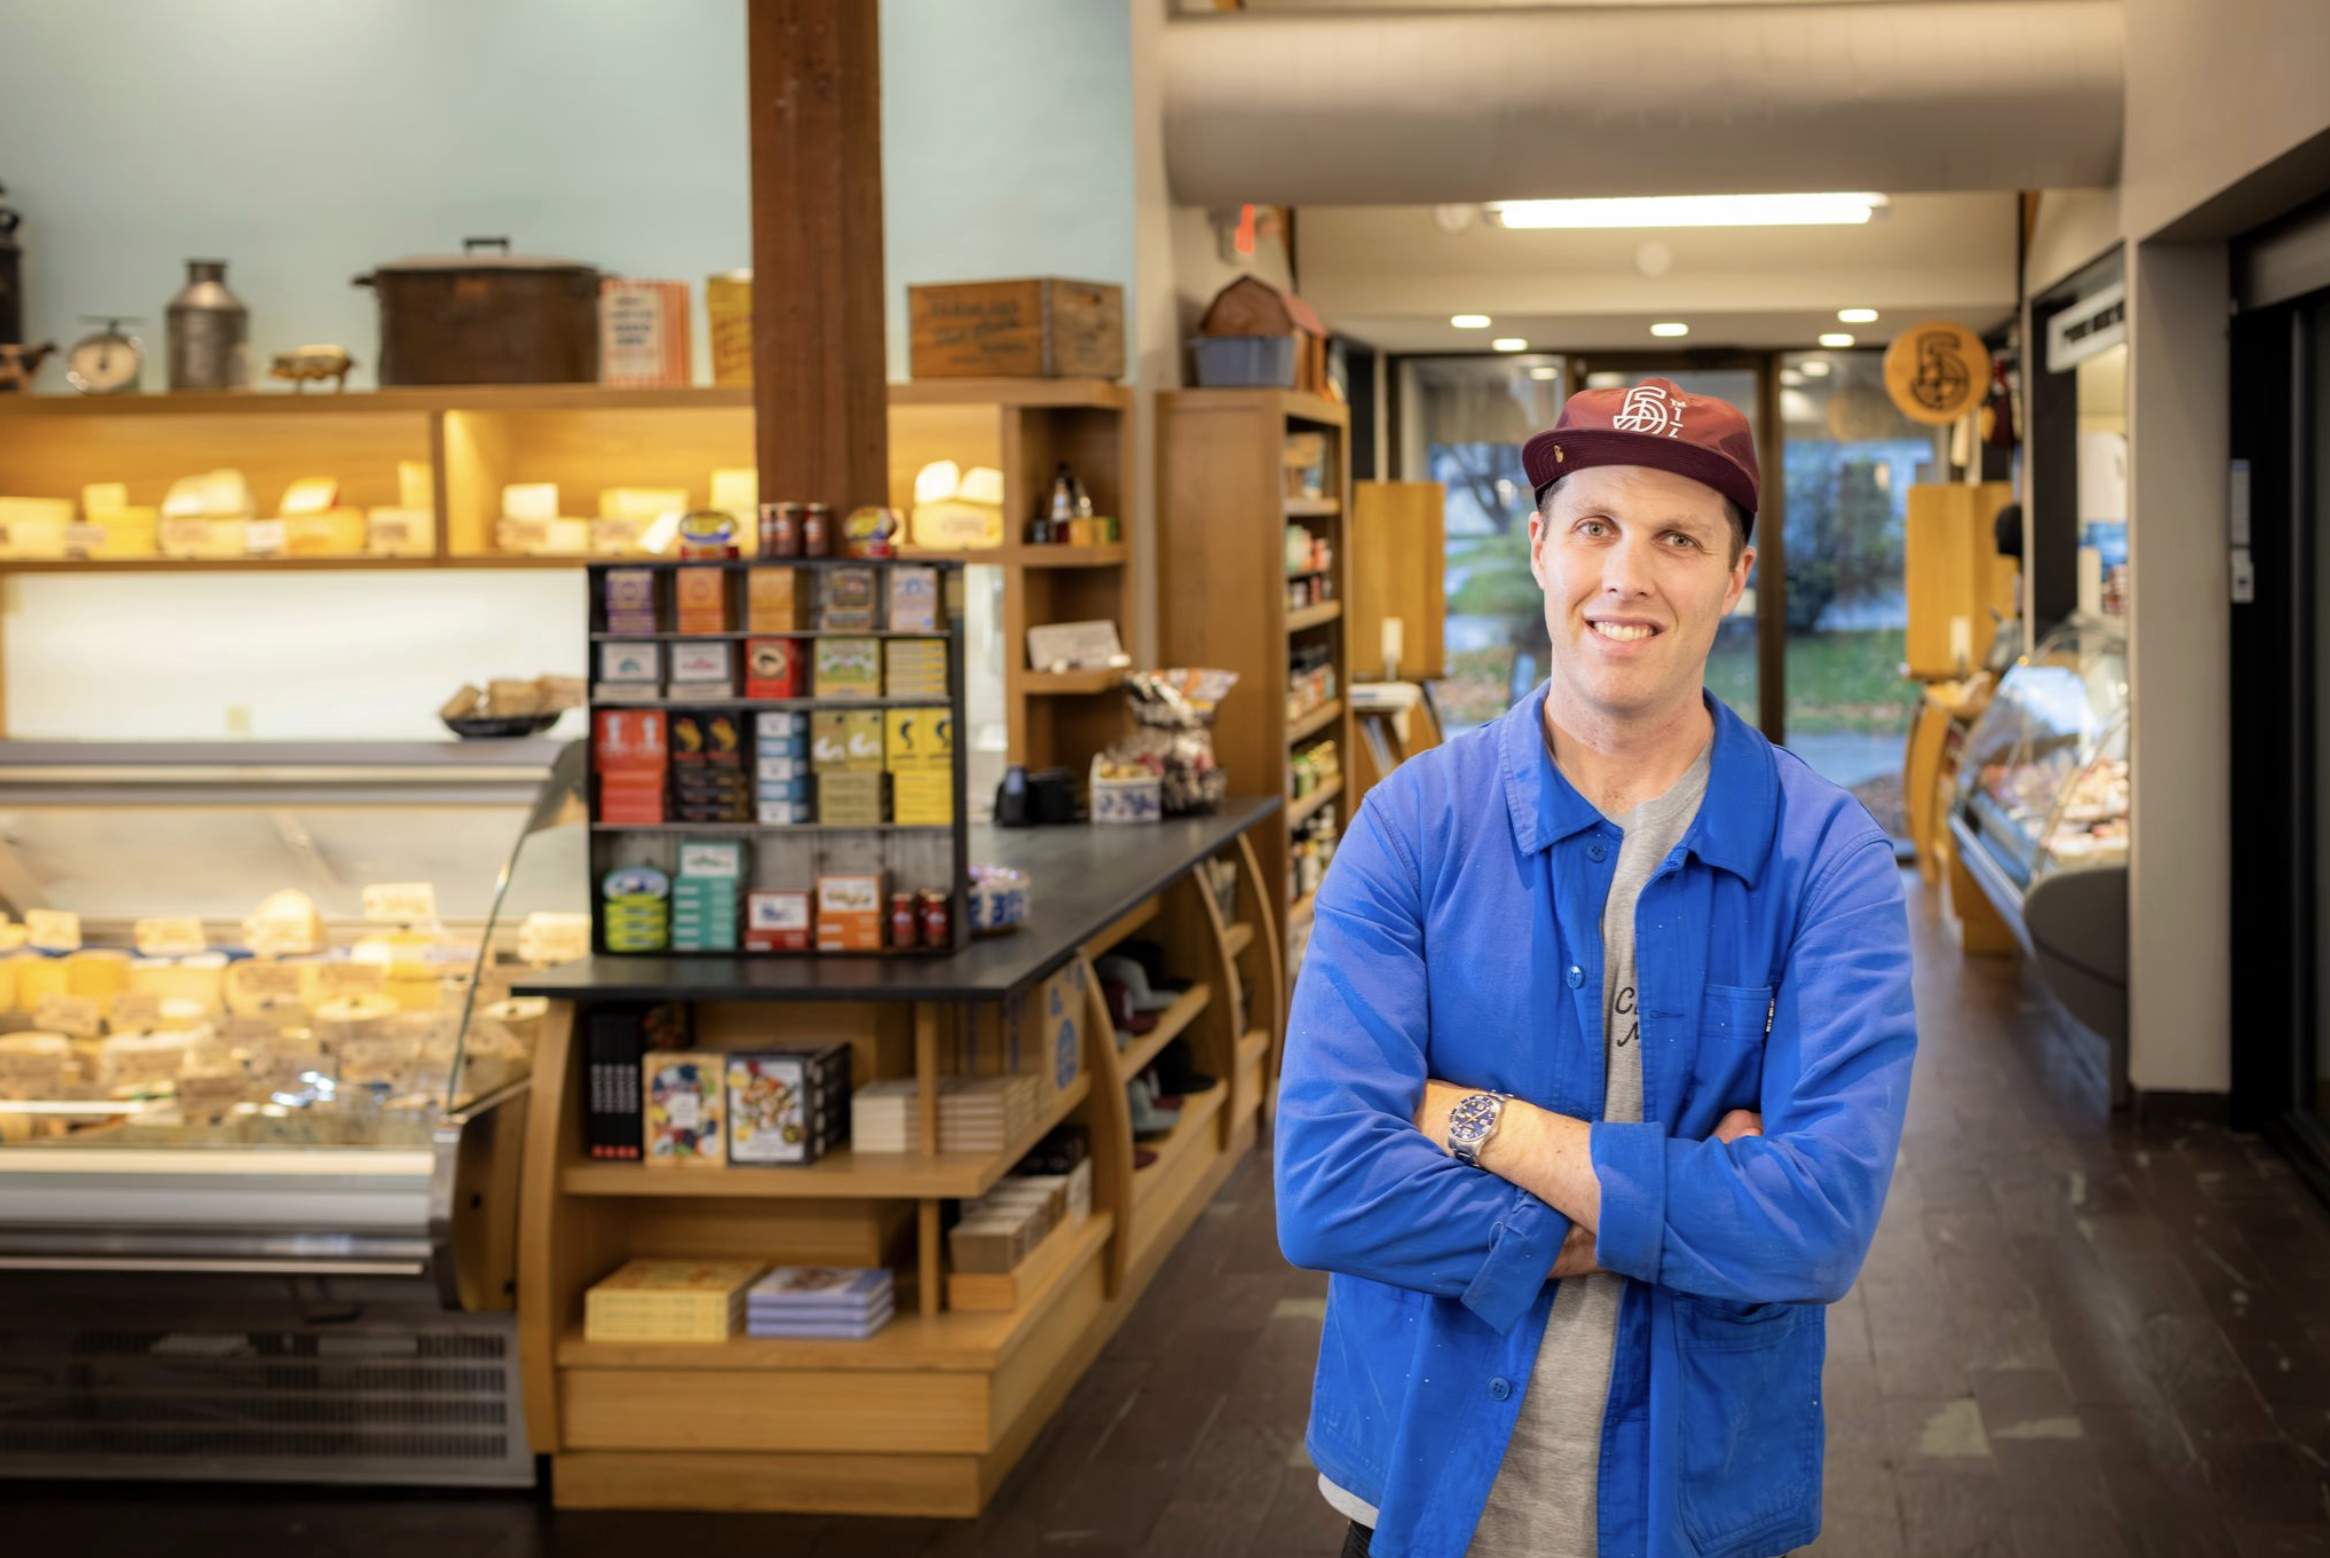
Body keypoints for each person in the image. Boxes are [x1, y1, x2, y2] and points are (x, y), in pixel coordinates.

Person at [1274, 377, 1918, 1558]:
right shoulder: (1409, 825)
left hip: (1700, 1492)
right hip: (1420, 1480)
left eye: (1678, 537)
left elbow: (1815, 1222)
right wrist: (1684, 1192)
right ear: (1537, 547)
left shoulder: (1826, 857)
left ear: (1735, 577)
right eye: (1594, 526)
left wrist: (1484, 1125)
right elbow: (1324, 1185)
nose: (1627, 573)